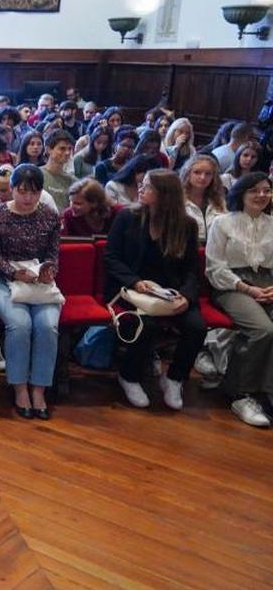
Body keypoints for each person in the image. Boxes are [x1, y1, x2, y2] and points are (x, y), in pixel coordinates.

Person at [105, 169, 204, 410]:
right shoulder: (127, 216)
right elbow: (111, 257)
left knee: (197, 327)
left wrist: (187, 297)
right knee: (145, 324)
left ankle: (174, 378)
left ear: (165, 195)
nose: (140, 189)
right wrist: (135, 281)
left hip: (170, 292)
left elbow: (193, 269)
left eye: (147, 186)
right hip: (131, 288)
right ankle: (128, 376)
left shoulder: (187, 225)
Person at [0, 164, 62, 419]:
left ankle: (39, 389)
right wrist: (14, 272)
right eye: (22, 191)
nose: (28, 198)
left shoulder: (50, 215)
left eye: (34, 192)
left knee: (47, 326)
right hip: (3, 278)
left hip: (37, 278)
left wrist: (48, 269)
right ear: (12, 189)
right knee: (20, 324)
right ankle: (19, 388)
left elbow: (52, 251)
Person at [205, 172, 273, 427]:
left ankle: (266, 392)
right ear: (241, 193)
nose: (262, 195)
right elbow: (215, 268)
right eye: (255, 190)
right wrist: (248, 289)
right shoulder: (223, 223)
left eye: (267, 190)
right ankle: (239, 393)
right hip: (232, 284)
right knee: (263, 330)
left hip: (268, 282)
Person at [180, 154, 226, 243]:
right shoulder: (177, 201)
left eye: (208, 174)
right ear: (188, 173)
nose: (202, 177)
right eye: (197, 172)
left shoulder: (219, 200)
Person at [41, 130, 76, 211]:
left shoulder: (73, 181)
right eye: (62, 148)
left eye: (69, 149)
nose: (67, 152)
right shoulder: (37, 174)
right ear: (49, 149)